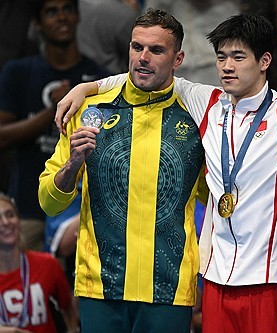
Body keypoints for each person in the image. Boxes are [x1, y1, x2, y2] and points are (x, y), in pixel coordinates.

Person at [52, 14, 277, 332]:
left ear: (265, 62)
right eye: (221, 57)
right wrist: (85, 88)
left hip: (270, 278)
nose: (227, 67)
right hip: (215, 278)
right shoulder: (206, 102)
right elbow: (148, 71)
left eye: (238, 57)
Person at [39, 8, 206, 333]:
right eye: (136, 47)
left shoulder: (198, 118)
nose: (143, 57)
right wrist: (73, 163)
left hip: (169, 288)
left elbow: (215, 196)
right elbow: (49, 202)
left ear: (177, 58)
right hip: (100, 286)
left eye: (156, 50)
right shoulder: (88, 109)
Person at [0, 0, 109, 252]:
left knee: (72, 289)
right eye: (51, 12)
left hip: (82, 212)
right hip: (27, 207)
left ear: (77, 16)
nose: (61, 17)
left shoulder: (98, 79)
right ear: (37, 23)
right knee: (28, 286)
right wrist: (55, 110)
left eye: (67, 9)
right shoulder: (19, 72)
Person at [0, 192, 78, 333]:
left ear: (19, 220)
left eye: (10, 215)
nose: (6, 222)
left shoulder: (47, 264)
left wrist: (73, 330)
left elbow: (68, 306)